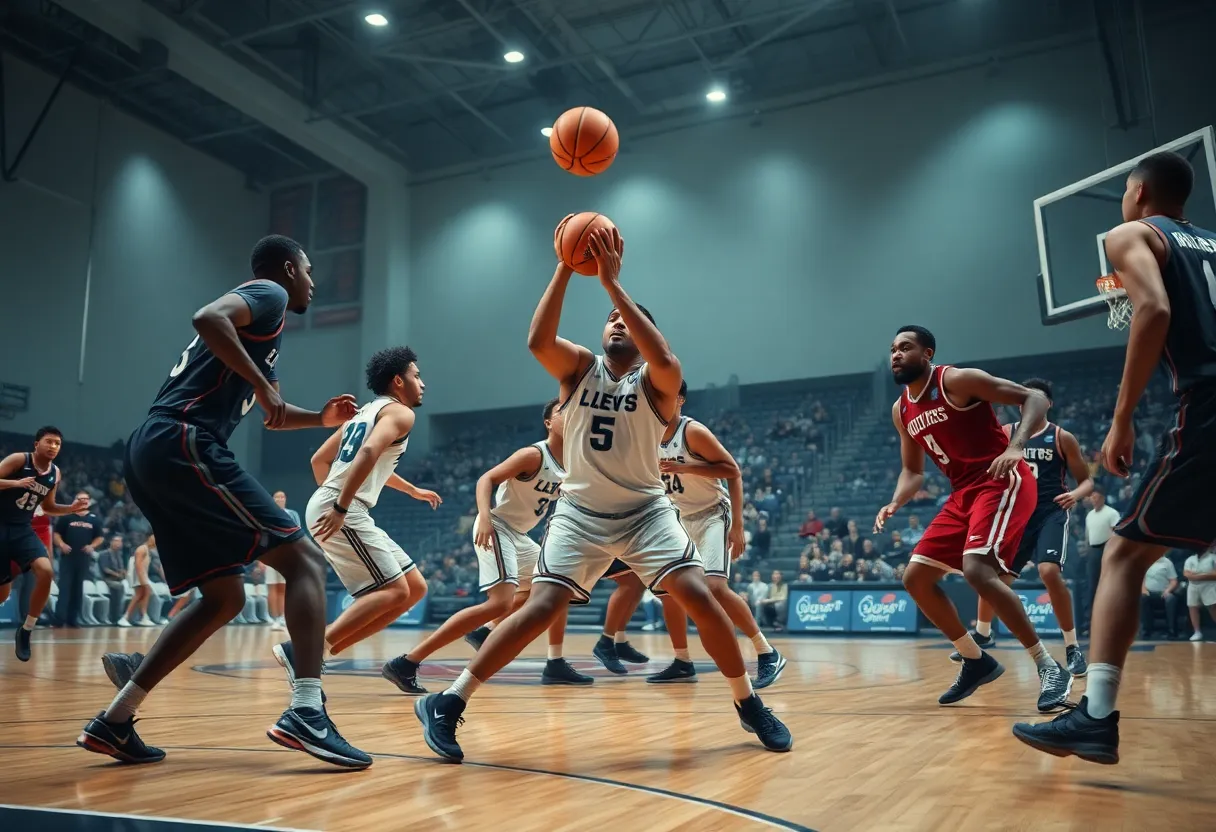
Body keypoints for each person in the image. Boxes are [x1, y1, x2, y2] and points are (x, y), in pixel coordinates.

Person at [413, 226, 792, 762]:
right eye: (609, 319)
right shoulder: (578, 368)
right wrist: (567, 267)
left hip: (645, 512)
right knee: (539, 607)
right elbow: (537, 341)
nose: (615, 322)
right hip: (579, 513)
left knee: (701, 597)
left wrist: (615, 287)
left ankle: (748, 702)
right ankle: (449, 703)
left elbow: (663, 356)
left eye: (626, 320)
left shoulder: (661, 381)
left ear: (645, 336)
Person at [78, 235, 370, 769]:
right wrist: (262, 385)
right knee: (304, 560)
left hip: (155, 448)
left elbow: (273, 412)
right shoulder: (268, 294)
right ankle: (307, 710)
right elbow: (207, 317)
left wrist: (320, 419)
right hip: (183, 439)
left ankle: (115, 721)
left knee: (223, 599)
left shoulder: (262, 334)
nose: (312, 281)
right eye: (308, 270)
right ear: (287, 268)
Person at [1013, 151, 1216, 764]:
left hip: (1208, 402)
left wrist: (1123, 417)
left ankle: (1095, 716)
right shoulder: (1210, 242)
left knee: (1124, 556)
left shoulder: (1134, 232)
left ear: (1135, 192)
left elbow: (1151, 308)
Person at [876, 326, 1071, 711]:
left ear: (927, 353)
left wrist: (1017, 447)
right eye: (892, 349)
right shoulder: (902, 410)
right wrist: (895, 501)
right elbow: (913, 472)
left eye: (905, 347)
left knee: (977, 570)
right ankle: (975, 660)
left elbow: (1034, 399)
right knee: (915, 577)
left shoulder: (957, 380)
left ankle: (1049, 667)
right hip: (962, 493)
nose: (896, 354)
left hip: (1002, 480)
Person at [383, 398, 586, 690]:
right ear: (548, 423)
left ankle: (508, 642)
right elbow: (486, 479)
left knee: (557, 587)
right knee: (499, 602)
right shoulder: (532, 455)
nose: (569, 416)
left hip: (519, 535)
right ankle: (406, 663)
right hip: (498, 526)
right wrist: (485, 516)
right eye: (561, 412)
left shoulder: (573, 464)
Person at [292, 346, 438, 681]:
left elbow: (320, 461)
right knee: (396, 591)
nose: (423, 383)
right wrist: (340, 505)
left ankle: (326, 652)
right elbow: (371, 451)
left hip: (334, 501)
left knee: (414, 588)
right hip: (343, 507)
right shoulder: (402, 414)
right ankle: (308, 650)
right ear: (398, 381)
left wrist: (411, 490)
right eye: (417, 375)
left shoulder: (364, 414)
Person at [950, 379, 1093, 676]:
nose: (1026, 403)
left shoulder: (1061, 437)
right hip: (1015, 514)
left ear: (1048, 404)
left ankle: (1072, 647)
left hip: (1049, 513)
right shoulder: (1005, 434)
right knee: (992, 577)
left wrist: (1076, 495)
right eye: (1023, 398)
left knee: (1049, 571)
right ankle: (984, 632)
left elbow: (1087, 480)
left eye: (1035, 398)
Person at [647, 383, 785, 686]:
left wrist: (737, 525)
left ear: (680, 399)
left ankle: (766, 650)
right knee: (667, 591)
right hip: (679, 518)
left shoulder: (692, 432)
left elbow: (732, 472)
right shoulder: (647, 435)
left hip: (712, 513)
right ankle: (682, 661)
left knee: (715, 587)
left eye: (665, 395)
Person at [0, 427, 90, 659]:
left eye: (57, 444)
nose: (53, 447)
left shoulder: (55, 473)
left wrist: (70, 509)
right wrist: (16, 483)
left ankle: (27, 629)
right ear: (36, 443)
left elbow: (48, 507)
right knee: (2, 593)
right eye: (49, 442)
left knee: (46, 571)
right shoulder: (20, 459)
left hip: (22, 529)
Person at [52, 492, 103, 628]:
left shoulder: (94, 519)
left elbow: (100, 537)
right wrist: (61, 544)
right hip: (67, 558)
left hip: (83, 559)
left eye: (86, 499)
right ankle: (59, 620)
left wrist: (92, 546)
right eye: (81, 499)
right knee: (64, 588)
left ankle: (73, 620)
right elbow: (56, 534)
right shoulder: (67, 516)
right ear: (75, 501)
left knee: (78, 589)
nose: (84, 501)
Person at [1083, 490, 1120, 632]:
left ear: (1103, 498)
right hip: (1093, 551)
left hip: (1107, 550)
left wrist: (1111, 553)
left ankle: (1112, 623)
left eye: (1096, 496)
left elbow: (1115, 534)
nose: (1093, 499)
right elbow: (1088, 536)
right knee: (1092, 587)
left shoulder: (1111, 513)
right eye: (1091, 497)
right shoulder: (1089, 515)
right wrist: (1087, 551)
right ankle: (1092, 624)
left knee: (1108, 587)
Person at [264, 491, 298, 630]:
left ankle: (283, 618)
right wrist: (261, 559)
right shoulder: (266, 513)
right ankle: (274, 619)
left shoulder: (292, 514)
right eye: (276, 497)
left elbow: (297, 534)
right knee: (272, 587)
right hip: (270, 555)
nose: (279, 499)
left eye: (282, 496)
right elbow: (263, 535)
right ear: (272, 499)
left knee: (283, 588)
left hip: (286, 556)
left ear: (286, 499)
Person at [1139, 554, 1180, 640]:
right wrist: (1143, 589)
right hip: (1149, 593)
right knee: (1143, 598)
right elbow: (1141, 578)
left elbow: (1174, 581)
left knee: (1171, 599)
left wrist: (1168, 590)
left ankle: (1172, 631)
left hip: (1163, 593)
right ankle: (1146, 631)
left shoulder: (1167, 563)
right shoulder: (1146, 561)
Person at [118, 535, 154, 627]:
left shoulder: (147, 550)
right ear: (150, 538)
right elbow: (137, 564)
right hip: (137, 574)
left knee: (146, 593)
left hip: (142, 574)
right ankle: (125, 618)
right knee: (139, 594)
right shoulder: (142, 549)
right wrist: (142, 579)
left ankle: (144, 617)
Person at [1183, 545, 1216, 641]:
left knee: (1213, 607)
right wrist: (1205, 574)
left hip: (1209, 586)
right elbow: (1186, 574)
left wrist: (1197, 576)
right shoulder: (1190, 559)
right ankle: (1197, 632)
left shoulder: (1213, 558)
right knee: (1193, 607)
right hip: (1193, 586)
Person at [98, 535, 128, 624]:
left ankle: (124, 615)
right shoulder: (104, 553)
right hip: (106, 579)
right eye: (116, 541)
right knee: (119, 587)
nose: (118, 543)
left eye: (120, 541)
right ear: (111, 542)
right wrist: (117, 574)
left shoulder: (120, 555)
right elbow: (105, 569)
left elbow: (121, 568)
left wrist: (123, 572)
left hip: (118, 579)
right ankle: (115, 617)